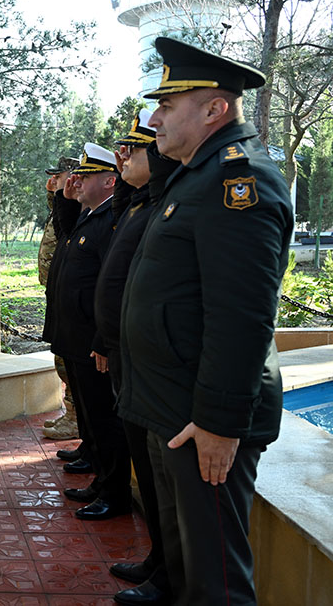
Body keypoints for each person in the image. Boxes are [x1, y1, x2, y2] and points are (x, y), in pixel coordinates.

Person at [119, 37, 292, 605]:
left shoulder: (237, 182)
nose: (156, 118)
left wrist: (219, 423)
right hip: (171, 407)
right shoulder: (196, 175)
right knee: (187, 563)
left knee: (215, 580)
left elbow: (242, 315)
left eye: (168, 106)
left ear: (215, 109)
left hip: (203, 420)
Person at [93, 110, 177, 606]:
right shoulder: (139, 204)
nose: (123, 156)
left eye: (134, 149)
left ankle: (168, 572)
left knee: (157, 474)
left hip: (147, 360)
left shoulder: (163, 203)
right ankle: (159, 560)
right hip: (127, 354)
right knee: (147, 469)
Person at [47, 144, 130, 521]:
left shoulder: (109, 219)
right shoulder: (89, 216)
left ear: (110, 181)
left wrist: (102, 338)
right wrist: (63, 198)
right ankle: (98, 474)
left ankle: (112, 490)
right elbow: (65, 234)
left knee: (104, 416)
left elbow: (112, 286)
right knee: (91, 413)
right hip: (76, 333)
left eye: (86, 176)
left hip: (92, 337)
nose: (76, 181)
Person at [39, 156, 81, 442]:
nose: (53, 179)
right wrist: (53, 191)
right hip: (56, 289)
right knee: (62, 357)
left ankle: (77, 419)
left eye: (59, 175)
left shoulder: (78, 206)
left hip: (71, 293)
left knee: (69, 361)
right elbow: (57, 212)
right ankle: (72, 415)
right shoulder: (62, 204)